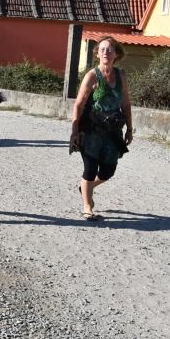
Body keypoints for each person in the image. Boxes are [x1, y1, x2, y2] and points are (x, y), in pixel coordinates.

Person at [69, 37, 134, 220]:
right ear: (97, 53)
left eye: (110, 50)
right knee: (89, 169)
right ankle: (87, 206)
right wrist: (75, 130)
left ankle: (85, 188)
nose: (106, 52)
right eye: (102, 49)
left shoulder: (121, 76)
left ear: (117, 54)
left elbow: (126, 104)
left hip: (112, 132)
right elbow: (79, 105)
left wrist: (129, 128)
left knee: (108, 171)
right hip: (90, 130)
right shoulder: (92, 75)